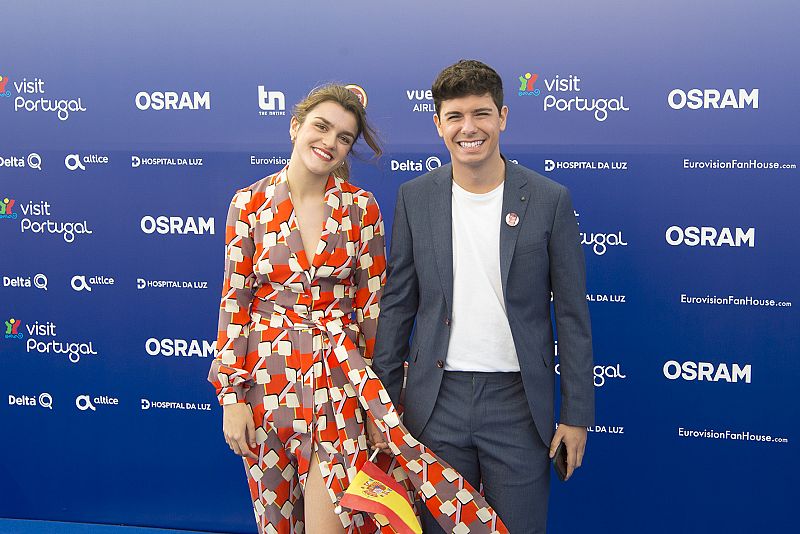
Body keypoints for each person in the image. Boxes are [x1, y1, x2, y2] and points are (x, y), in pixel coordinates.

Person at [209, 84, 505, 534]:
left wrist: (378, 400)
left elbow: (373, 311)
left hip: (341, 383)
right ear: (296, 126)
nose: (329, 143)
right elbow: (235, 303)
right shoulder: (248, 204)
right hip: (268, 386)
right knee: (278, 523)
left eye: (344, 137)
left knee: (335, 519)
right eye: (321, 127)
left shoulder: (361, 209)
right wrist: (231, 399)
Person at [372, 60, 595, 533]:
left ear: (503, 117)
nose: (468, 128)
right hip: (434, 403)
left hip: (518, 404)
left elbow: (572, 315)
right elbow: (397, 308)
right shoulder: (415, 197)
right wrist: (385, 407)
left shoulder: (550, 198)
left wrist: (577, 416)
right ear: (438, 124)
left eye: (481, 113)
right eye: (455, 116)